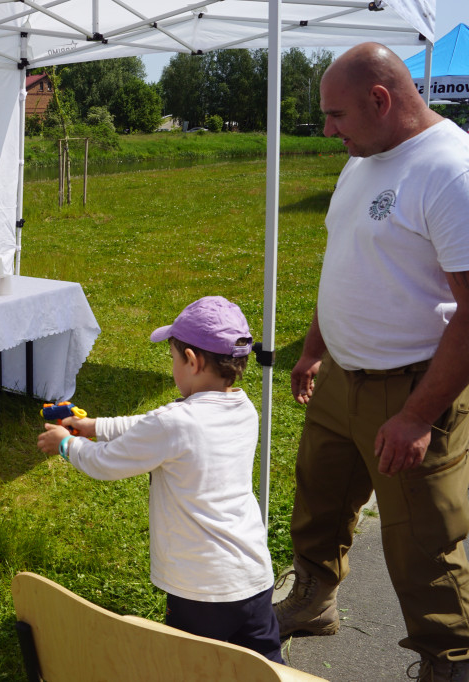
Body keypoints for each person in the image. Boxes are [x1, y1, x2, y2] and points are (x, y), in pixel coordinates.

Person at [273, 42, 469, 681]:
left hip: (413, 386)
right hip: (341, 378)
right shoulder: (362, 159)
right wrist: (311, 352)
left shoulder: (450, 170)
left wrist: (417, 416)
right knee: (319, 500)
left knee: (423, 544)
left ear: (381, 101)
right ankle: (314, 598)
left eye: (336, 115)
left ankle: (451, 662)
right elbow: (346, 268)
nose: (327, 129)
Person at [36, 296, 283, 664]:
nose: (173, 368)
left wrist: (68, 444)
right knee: (264, 667)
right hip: (253, 577)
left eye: (173, 359)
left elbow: (105, 463)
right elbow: (152, 425)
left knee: (193, 669)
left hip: (201, 589)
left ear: (193, 361)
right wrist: (94, 426)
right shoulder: (243, 408)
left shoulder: (175, 424)